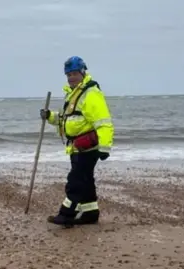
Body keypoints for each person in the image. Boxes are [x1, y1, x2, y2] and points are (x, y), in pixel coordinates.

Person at [39, 56, 114, 228]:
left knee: (76, 180)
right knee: (86, 180)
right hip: (76, 147)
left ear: (82, 72)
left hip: (89, 147)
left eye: (74, 74)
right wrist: (49, 116)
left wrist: (104, 147)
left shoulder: (91, 94)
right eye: (68, 75)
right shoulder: (73, 94)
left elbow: (103, 122)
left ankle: (66, 214)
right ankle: (90, 213)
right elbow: (66, 119)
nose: (71, 77)